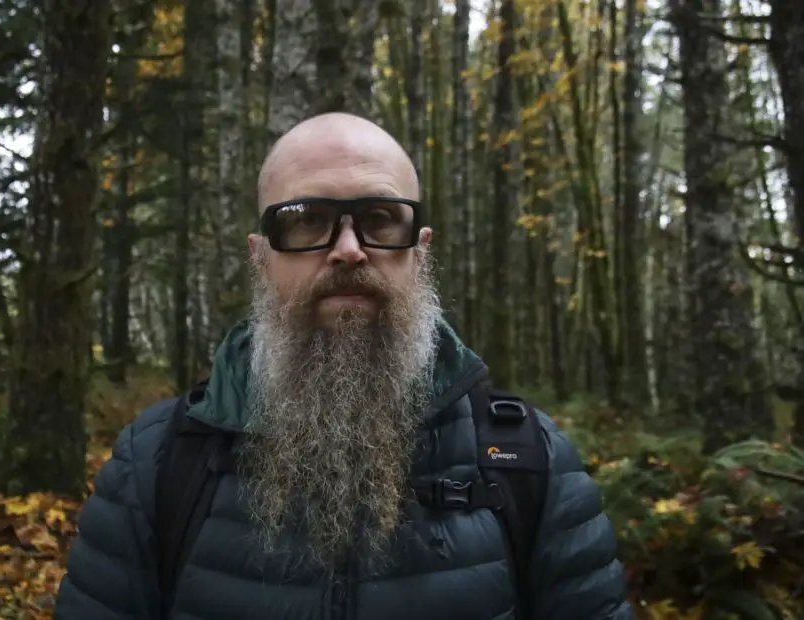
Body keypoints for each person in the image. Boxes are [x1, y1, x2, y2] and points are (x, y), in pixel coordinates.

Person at [53, 112, 633, 619]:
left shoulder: (527, 462)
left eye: (380, 217)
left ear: (419, 249)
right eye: (307, 219)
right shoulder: (157, 463)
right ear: (261, 256)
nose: (349, 249)